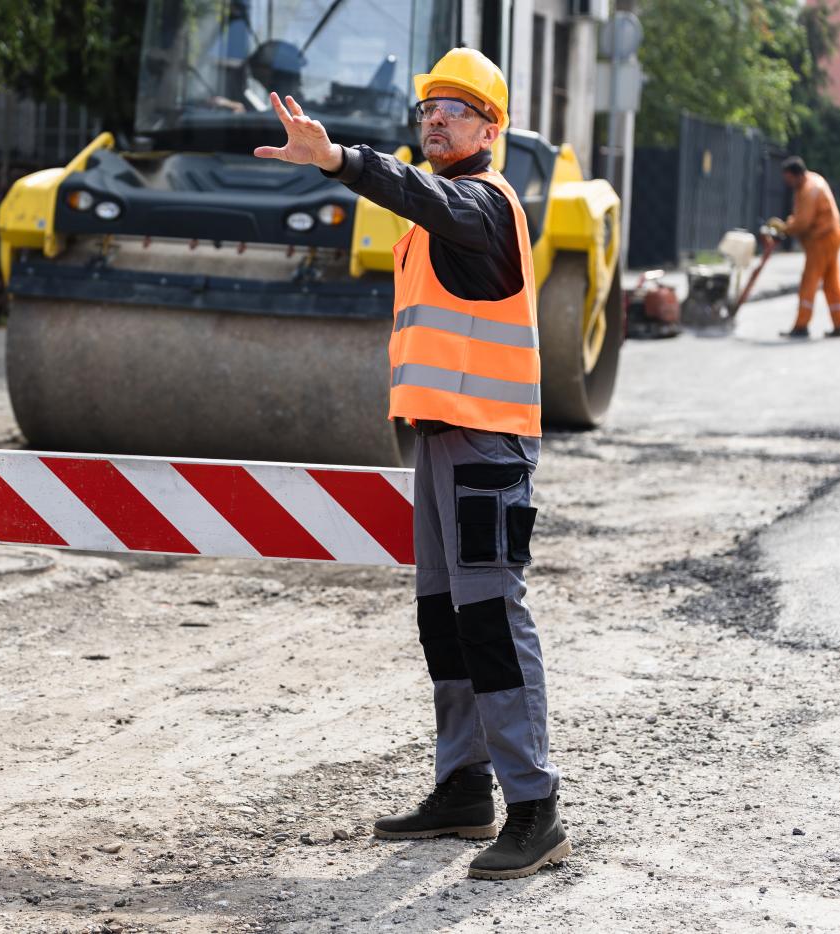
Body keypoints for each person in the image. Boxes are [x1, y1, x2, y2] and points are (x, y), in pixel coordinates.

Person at [254, 48, 569, 881]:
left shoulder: (481, 204)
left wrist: (336, 160)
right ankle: (464, 787)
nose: (436, 119)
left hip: (486, 444)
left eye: (456, 109)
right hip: (439, 439)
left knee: (492, 621)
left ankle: (535, 808)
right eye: (428, 107)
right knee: (445, 619)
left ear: (490, 129)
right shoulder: (439, 219)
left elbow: (419, 191)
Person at [771, 156, 840, 339]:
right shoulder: (813, 181)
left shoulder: (809, 189)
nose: (787, 183)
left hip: (821, 238)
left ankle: (801, 326)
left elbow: (804, 222)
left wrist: (785, 228)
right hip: (832, 234)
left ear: (797, 175)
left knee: (809, 280)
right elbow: (801, 216)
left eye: (789, 179)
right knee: (831, 281)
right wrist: (790, 224)